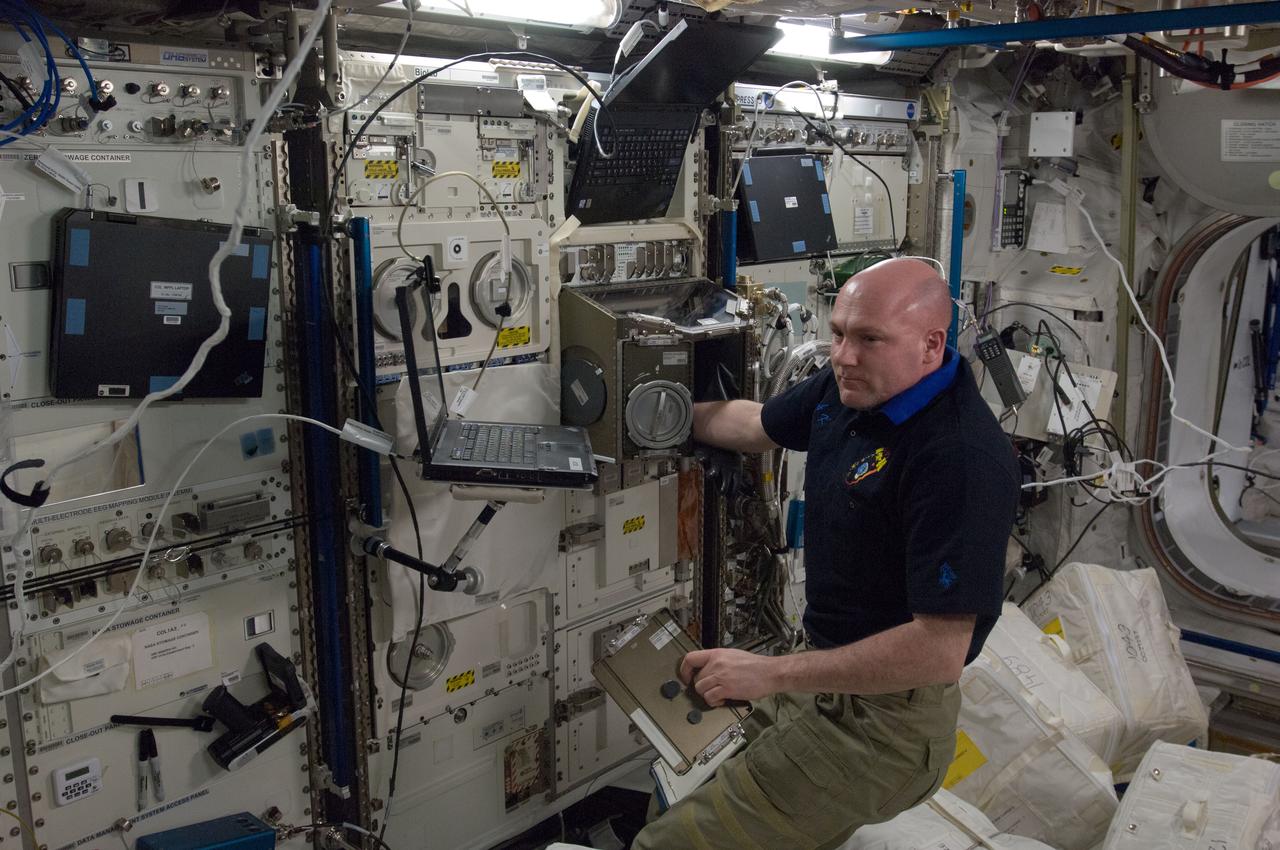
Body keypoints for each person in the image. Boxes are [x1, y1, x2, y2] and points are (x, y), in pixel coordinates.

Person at [630, 258, 1020, 850]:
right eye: (837, 333)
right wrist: (653, 415)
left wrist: (768, 673)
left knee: (666, 845)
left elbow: (939, 651)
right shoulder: (852, 390)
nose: (843, 356)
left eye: (868, 339)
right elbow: (755, 425)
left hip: (883, 726)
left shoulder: (960, 457)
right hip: (820, 679)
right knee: (670, 791)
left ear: (931, 344)